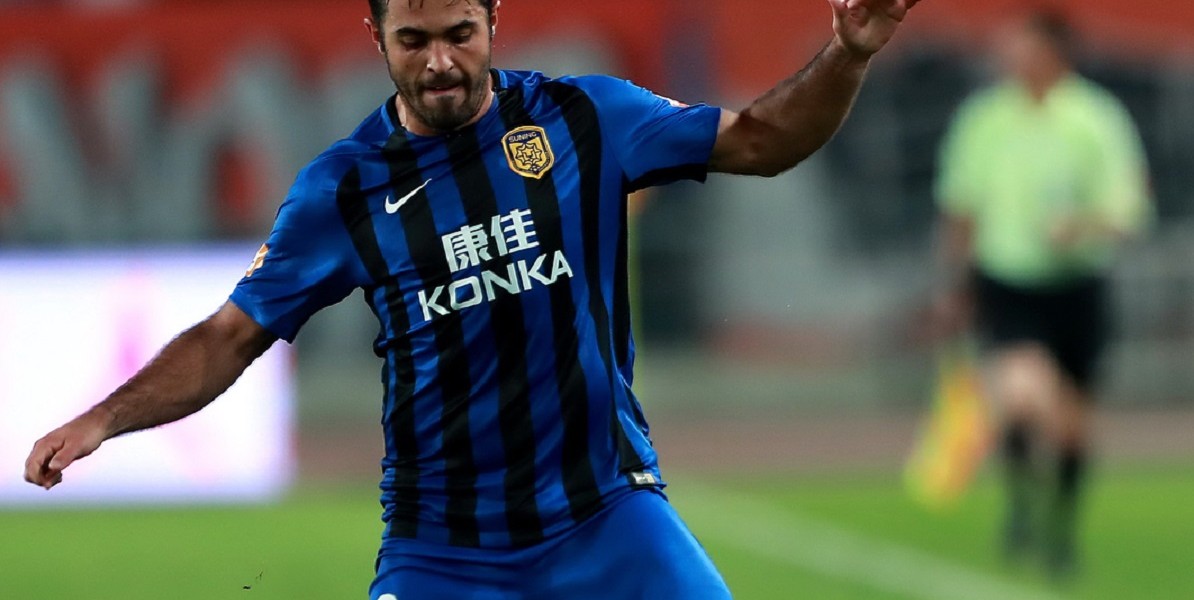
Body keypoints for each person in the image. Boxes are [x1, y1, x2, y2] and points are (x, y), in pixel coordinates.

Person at [26, 0, 922, 597]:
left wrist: (848, 53)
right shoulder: (344, 191)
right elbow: (229, 336)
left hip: (607, 515)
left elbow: (762, 141)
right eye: (413, 40)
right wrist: (104, 418)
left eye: (460, 31)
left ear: (495, 18)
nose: (441, 61)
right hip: (443, 552)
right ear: (376, 36)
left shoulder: (584, 120)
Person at [933, 9, 1152, 578]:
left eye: (1025, 48)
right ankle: (1020, 505)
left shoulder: (1095, 118)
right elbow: (962, 204)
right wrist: (957, 284)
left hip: (1077, 284)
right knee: (1022, 396)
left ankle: (1060, 527)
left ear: (1057, 54)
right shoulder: (985, 118)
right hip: (1007, 279)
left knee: (1073, 424)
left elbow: (1129, 204)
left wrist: (1082, 225)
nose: (1012, 59)